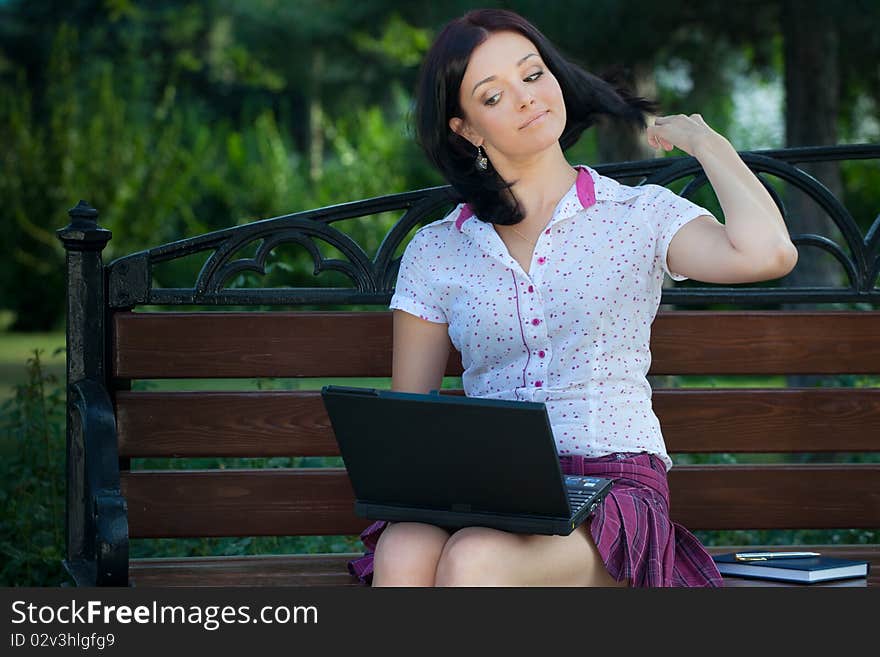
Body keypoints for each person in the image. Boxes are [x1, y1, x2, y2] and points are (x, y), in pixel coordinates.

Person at [348, 8, 799, 587]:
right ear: (466, 129)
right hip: (490, 489)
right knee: (405, 549)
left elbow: (769, 254)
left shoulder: (637, 214)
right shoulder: (437, 250)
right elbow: (409, 424)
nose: (525, 98)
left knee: (474, 560)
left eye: (533, 75)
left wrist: (704, 141)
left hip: (611, 486)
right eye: (493, 96)